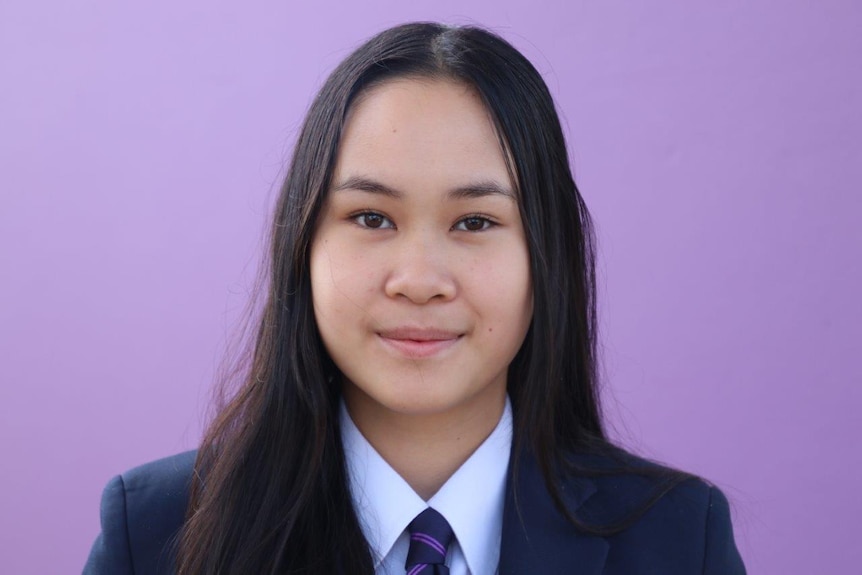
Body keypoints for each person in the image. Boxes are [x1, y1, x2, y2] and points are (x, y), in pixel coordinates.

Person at [84, 22, 746, 574]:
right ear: (303, 246)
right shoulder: (154, 532)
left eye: (475, 222)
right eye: (371, 218)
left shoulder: (679, 539)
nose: (420, 278)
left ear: (547, 256)